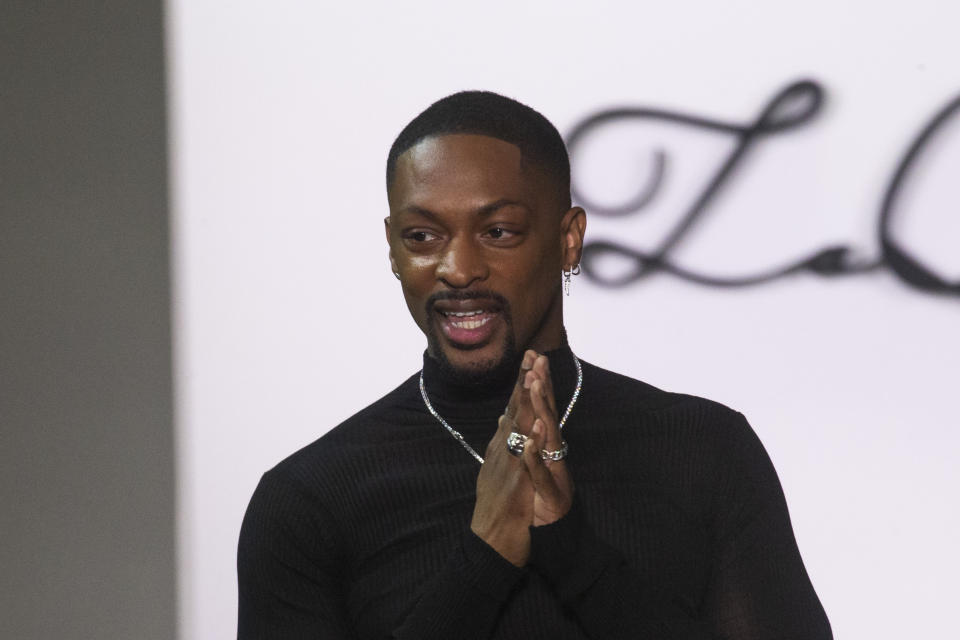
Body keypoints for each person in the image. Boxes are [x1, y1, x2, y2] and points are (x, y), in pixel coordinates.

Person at [237, 91, 832, 639]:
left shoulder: (702, 450)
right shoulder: (308, 501)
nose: (458, 268)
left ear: (569, 238)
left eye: (498, 230)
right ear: (392, 248)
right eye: (423, 236)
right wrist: (485, 558)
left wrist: (573, 552)